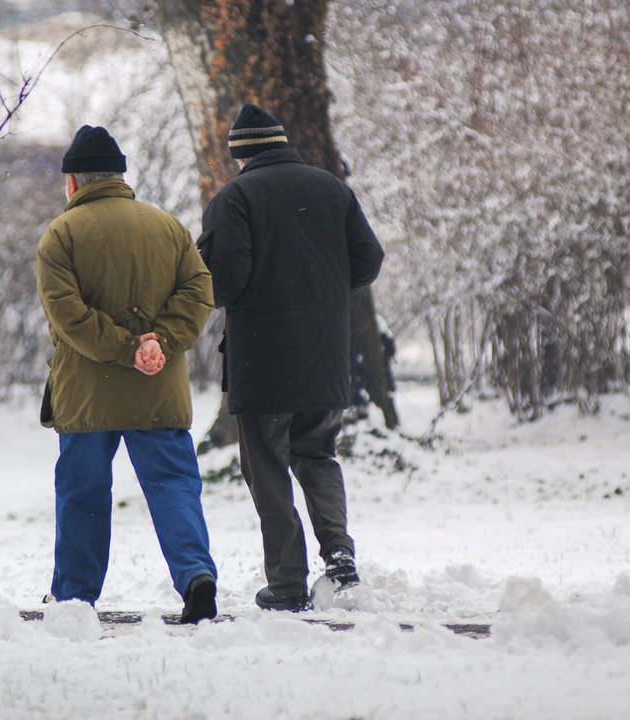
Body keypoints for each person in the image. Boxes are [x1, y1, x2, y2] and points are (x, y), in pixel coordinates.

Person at [197, 104, 385, 611]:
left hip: (262, 358)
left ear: (241, 154)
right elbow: (368, 259)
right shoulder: (332, 189)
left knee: (267, 468)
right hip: (325, 353)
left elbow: (225, 282)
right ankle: (340, 554)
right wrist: (320, 296)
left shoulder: (234, 199)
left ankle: (286, 583)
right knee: (318, 454)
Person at [35, 125, 218, 624]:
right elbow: (199, 293)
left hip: (87, 395)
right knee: (173, 485)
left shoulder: (61, 235)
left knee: (83, 496)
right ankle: (197, 577)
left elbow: (67, 316)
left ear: (73, 182)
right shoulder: (168, 227)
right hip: (158, 390)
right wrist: (157, 342)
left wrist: (122, 349)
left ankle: (74, 598)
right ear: (119, 176)